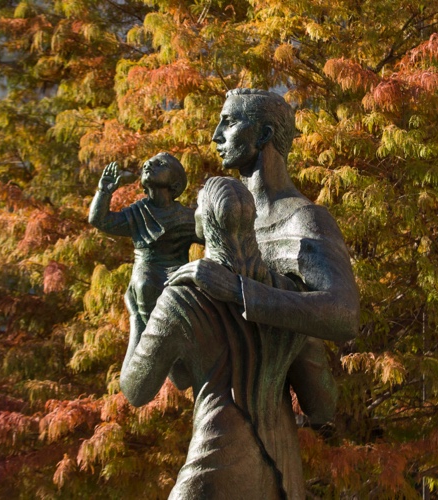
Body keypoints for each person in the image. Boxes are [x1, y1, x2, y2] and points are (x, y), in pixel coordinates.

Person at [166, 89, 360, 426]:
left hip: (278, 408)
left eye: (228, 123)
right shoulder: (222, 221)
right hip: (219, 399)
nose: (216, 136)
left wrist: (238, 290)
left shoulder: (305, 219)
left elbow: (344, 314)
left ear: (264, 134)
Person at [121, 177, 306, 499]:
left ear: (203, 222)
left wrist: (137, 315)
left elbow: (136, 390)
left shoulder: (181, 299)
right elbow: (322, 404)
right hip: (283, 474)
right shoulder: (288, 296)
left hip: (214, 468)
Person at [88, 153, 201, 347]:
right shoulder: (138, 212)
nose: (149, 165)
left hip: (177, 271)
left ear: (174, 183)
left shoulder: (188, 216)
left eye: (160, 164)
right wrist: (103, 192)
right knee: (144, 285)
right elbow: (100, 220)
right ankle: (148, 348)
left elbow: (215, 242)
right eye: (147, 164)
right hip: (147, 271)